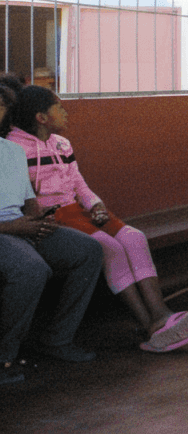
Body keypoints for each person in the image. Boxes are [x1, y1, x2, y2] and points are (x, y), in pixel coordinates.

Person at [7, 86, 188, 354]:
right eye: (59, 108)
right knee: (110, 247)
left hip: (78, 210)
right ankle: (150, 325)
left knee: (134, 238)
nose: (66, 112)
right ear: (41, 117)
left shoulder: (62, 144)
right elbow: (26, 198)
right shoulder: (14, 148)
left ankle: (162, 313)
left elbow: (79, 184)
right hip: (54, 216)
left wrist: (96, 205)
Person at [0, 76, 103, 385]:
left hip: (21, 226)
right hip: (6, 231)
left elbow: (28, 200)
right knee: (32, 269)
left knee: (88, 250)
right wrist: (14, 226)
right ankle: (4, 356)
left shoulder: (11, 151)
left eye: (2, 106)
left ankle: (57, 338)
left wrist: (39, 219)